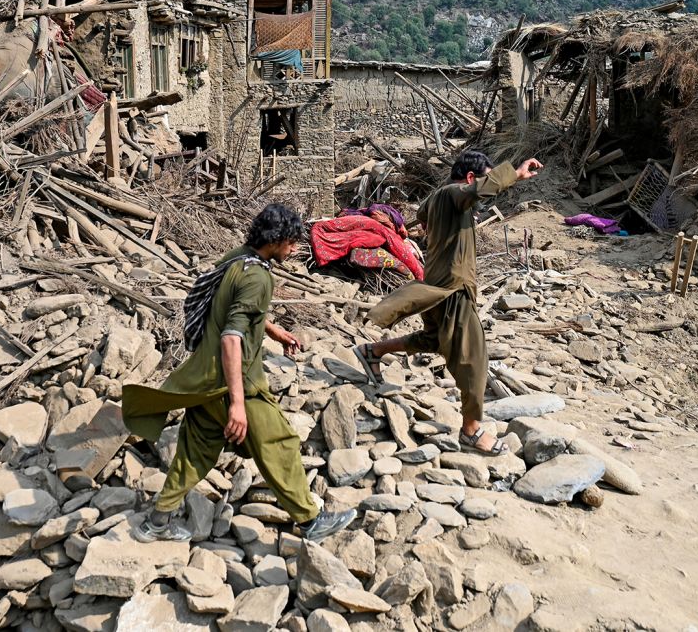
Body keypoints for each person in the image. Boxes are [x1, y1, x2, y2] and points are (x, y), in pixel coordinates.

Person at [122, 203, 356, 543]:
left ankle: (156, 522)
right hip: (236, 383)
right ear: (275, 240)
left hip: (203, 380)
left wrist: (272, 330)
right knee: (279, 442)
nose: (295, 247)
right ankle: (310, 520)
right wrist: (237, 404)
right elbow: (232, 338)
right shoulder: (259, 277)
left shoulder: (238, 258)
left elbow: (232, 309)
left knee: (195, 451)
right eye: (291, 241)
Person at [353, 151, 542, 455]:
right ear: (469, 178)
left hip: (436, 284)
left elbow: (424, 218)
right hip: (452, 289)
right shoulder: (455, 194)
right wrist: (515, 173)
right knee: (474, 357)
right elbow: (478, 190)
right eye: (482, 177)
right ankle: (470, 430)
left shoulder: (436, 199)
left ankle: (373, 351)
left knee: (434, 340)